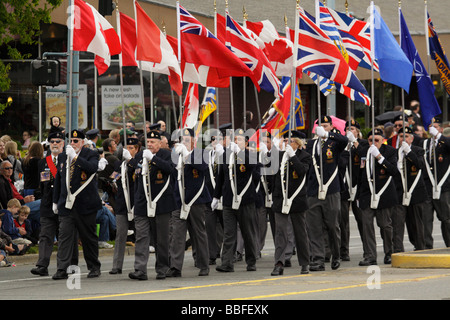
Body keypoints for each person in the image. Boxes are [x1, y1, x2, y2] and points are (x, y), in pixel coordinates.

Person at [52, 129, 102, 280]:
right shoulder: (62, 156)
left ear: (82, 142)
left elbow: (92, 168)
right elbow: (58, 180)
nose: (72, 144)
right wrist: (55, 201)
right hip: (67, 204)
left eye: (76, 141)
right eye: (71, 141)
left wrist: (75, 158)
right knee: (65, 237)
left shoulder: (90, 154)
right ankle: (63, 268)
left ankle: (94, 267)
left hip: (85, 204)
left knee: (88, 238)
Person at [128, 129, 176, 281]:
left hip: (161, 203)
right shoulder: (142, 156)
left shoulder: (166, 155)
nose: (150, 144)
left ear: (160, 143)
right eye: (147, 142)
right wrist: (128, 160)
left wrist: (153, 159)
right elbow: (131, 172)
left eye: (153, 142)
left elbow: (171, 170)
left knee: (161, 239)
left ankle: (162, 268)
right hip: (142, 203)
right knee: (141, 237)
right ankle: (140, 269)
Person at [30, 131, 78, 277]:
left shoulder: (68, 158)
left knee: (66, 236)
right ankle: (42, 265)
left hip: (63, 202)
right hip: (47, 203)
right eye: (52, 142)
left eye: (58, 142)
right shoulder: (43, 162)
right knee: (45, 235)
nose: (55, 144)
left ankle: (68, 266)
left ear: (63, 144)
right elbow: (42, 183)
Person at [212, 128, 260, 273]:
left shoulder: (249, 154)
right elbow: (221, 177)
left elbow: (253, 167)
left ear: (246, 143)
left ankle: (251, 262)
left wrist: (238, 153)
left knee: (248, 232)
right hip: (228, 199)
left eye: (239, 140)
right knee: (229, 233)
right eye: (234, 139)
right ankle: (227, 263)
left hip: (245, 200)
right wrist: (216, 196)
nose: (235, 142)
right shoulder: (226, 155)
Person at [305, 116, 348, 271]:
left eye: (326, 125)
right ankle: (318, 259)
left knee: (332, 225)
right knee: (314, 227)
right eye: (320, 125)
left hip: (331, 190)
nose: (323, 127)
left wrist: (328, 135)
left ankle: (336, 255)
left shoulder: (334, 143)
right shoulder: (310, 145)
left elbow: (344, 141)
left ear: (331, 126)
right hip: (313, 191)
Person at [168, 128, 211, 277]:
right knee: (177, 235)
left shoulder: (201, 153)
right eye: (182, 140)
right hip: (179, 200)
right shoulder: (177, 155)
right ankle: (175, 267)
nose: (184, 143)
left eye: (187, 140)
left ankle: (204, 264)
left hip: (196, 200)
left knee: (199, 233)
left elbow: (203, 167)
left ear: (194, 141)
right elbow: (172, 175)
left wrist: (187, 156)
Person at [271, 130, 311, 276]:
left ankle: (304, 263)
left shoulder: (304, 157)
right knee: (280, 233)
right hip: (280, 200)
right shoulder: (280, 156)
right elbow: (273, 176)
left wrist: (293, 156)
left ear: (298, 143)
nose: (287, 143)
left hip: (297, 200)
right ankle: (279, 263)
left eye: (291, 141)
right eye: (286, 141)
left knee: (300, 233)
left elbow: (301, 172)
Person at [356, 128, 398, 266]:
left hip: (384, 193)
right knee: (367, 225)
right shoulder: (364, 152)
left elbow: (393, 171)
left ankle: (389, 253)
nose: (373, 143)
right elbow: (360, 174)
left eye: (376, 140)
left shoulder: (390, 151)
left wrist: (379, 157)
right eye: (370, 140)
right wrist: (358, 195)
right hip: (367, 194)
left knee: (385, 225)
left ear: (383, 140)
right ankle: (370, 256)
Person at [392, 127, 428, 252]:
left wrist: (409, 152)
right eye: (401, 136)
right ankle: (397, 250)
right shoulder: (395, 152)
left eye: (406, 136)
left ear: (412, 138)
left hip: (416, 192)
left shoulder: (418, 151)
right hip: (399, 192)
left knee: (416, 224)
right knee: (397, 223)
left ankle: (419, 248)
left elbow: (420, 165)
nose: (404, 139)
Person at [109, 137, 140, 275]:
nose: (128, 150)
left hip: (136, 204)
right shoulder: (119, 165)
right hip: (122, 205)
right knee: (120, 235)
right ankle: (117, 265)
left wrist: (130, 161)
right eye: (127, 148)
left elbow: (138, 172)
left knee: (140, 235)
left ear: (137, 149)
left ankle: (139, 265)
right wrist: (110, 182)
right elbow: (113, 178)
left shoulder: (139, 162)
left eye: (132, 148)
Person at [340, 119, 368, 262]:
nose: (349, 131)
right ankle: (343, 251)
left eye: (352, 129)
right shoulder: (342, 145)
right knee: (342, 221)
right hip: (345, 187)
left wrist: (355, 142)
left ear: (357, 131)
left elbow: (365, 157)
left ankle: (368, 251)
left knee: (362, 221)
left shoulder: (363, 144)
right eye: (347, 129)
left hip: (358, 187)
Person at [421, 117, 450, 248]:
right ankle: (427, 246)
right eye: (431, 128)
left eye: (436, 127)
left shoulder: (445, 142)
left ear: (441, 129)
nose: (432, 130)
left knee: (446, 218)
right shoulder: (425, 143)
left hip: (443, 186)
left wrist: (438, 136)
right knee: (426, 219)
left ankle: (449, 244)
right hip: (427, 187)